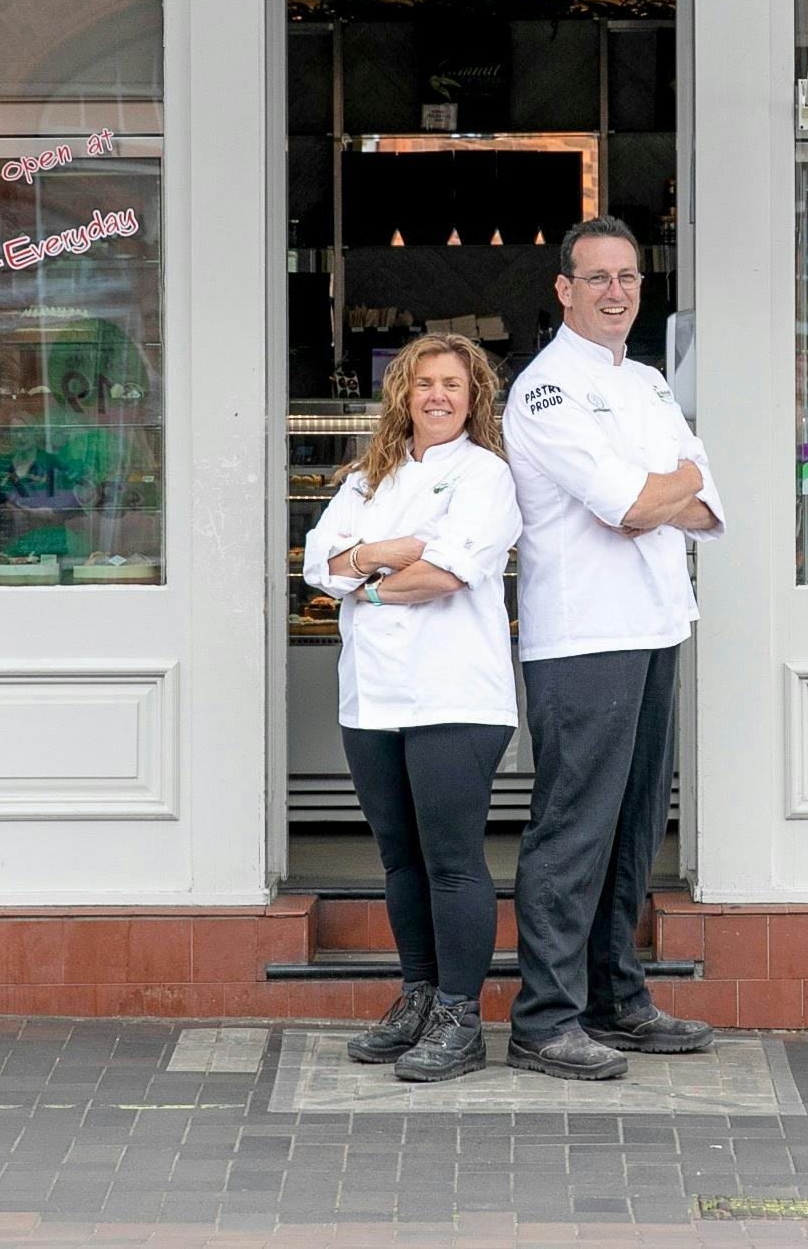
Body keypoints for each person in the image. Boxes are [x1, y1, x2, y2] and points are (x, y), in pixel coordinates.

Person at [501, 216, 724, 1081]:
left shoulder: (648, 382)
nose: (614, 291)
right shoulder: (547, 390)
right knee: (574, 829)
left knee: (633, 827)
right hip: (584, 637)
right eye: (595, 277)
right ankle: (543, 1019)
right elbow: (628, 505)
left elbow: (707, 504)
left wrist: (660, 491)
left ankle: (615, 999)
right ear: (563, 290)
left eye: (626, 276)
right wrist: (663, 488)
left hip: (659, 623)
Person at [300, 334, 523, 1084]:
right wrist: (390, 550)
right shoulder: (369, 475)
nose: (436, 396)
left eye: (451, 385)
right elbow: (315, 562)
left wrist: (361, 569)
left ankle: (462, 1019)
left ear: (473, 397)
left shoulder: (486, 475)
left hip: (455, 694)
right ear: (403, 393)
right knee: (399, 858)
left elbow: (449, 572)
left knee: (452, 861)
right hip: (372, 696)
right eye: (423, 382)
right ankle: (419, 996)